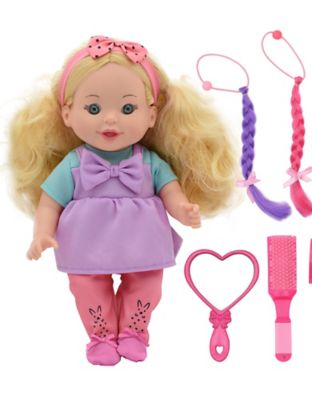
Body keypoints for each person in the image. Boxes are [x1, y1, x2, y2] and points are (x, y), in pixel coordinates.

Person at [8, 36, 236, 366]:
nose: (110, 119)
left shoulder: (150, 162)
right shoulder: (74, 164)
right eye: (94, 108)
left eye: (128, 109)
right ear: (67, 113)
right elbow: (49, 202)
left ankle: (133, 331)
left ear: (151, 115)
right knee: (87, 287)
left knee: (147, 283)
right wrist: (41, 233)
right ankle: (100, 335)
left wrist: (183, 209)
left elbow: (170, 190)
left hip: (142, 241)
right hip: (86, 242)